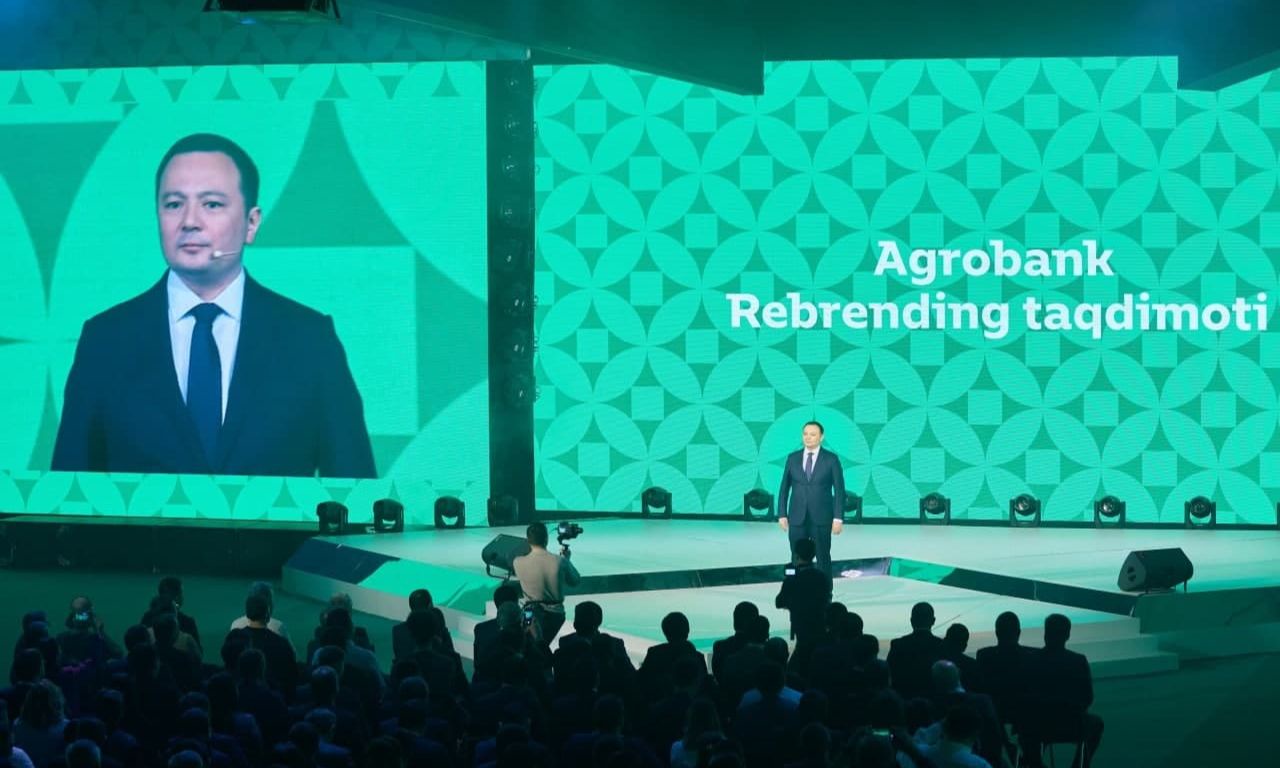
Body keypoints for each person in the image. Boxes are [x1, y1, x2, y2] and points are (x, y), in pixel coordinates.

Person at [52, 132, 375, 478]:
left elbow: (353, 488)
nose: (189, 222)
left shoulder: (309, 338)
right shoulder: (106, 339)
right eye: (173, 204)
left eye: (212, 204)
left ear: (251, 223)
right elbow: (68, 491)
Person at [1022, 614, 1103, 768]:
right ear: (1067, 635)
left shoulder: (1030, 660)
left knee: (1027, 730)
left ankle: (1035, 764)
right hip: (1072, 724)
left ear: (1045, 634)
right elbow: (1087, 698)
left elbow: (1024, 695)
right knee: (1096, 724)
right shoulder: (1078, 661)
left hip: (1039, 725)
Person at [777, 421, 845, 576]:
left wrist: (838, 518)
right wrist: (782, 514)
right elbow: (784, 488)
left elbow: (839, 490)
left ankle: (825, 588)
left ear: (821, 437)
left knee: (823, 558)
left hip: (821, 518)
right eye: (805, 434)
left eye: (813, 434)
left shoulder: (831, 459)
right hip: (796, 517)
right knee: (796, 557)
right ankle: (794, 586)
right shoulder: (792, 458)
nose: (808, 437)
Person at [512, 522, 580, 647]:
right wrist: (567, 560)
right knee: (541, 646)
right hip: (555, 614)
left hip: (529, 612)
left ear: (528, 540)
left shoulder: (517, 562)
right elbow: (575, 581)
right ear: (546, 539)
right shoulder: (560, 561)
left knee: (527, 645)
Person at [774, 538, 832, 670]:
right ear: (814, 555)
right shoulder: (821, 577)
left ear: (796, 555)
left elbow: (779, 602)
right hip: (820, 624)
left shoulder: (792, 579)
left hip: (801, 626)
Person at [886, 602, 946, 701]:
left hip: (904, 700)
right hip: (935, 701)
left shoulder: (897, 644)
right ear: (933, 621)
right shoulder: (942, 646)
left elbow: (889, 674)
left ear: (911, 621)